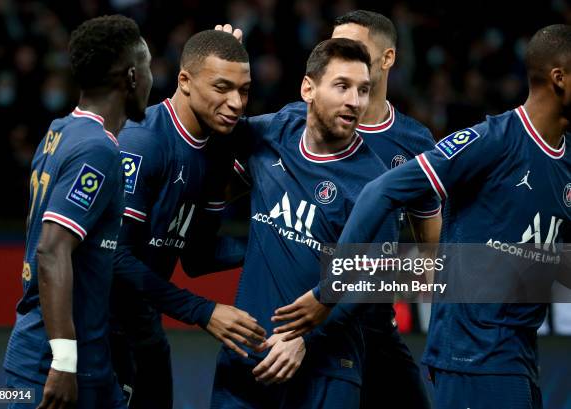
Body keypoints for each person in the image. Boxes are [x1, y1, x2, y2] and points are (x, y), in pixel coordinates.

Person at [271, 24, 571, 409]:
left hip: (520, 355)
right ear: (559, 78)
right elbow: (380, 191)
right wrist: (332, 287)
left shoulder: (563, 160)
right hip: (473, 357)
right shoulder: (493, 140)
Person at [208, 37, 397, 409]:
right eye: (342, 86)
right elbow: (213, 122)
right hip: (248, 355)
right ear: (308, 89)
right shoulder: (275, 131)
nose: (354, 102)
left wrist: (306, 338)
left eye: (363, 90)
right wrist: (218, 65)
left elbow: (375, 283)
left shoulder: (374, 186)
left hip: (327, 370)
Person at [110, 29, 266, 409]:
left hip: (144, 326)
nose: (235, 103)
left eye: (243, 90)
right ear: (184, 81)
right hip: (97, 325)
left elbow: (197, 257)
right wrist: (204, 311)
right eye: (221, 87)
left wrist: (274, 244)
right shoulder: (142, 143)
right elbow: (113, 257)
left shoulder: (216, 151)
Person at [4, 15, 152, 409]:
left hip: (90, 358)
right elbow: (51, 251)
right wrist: (64, 362)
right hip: (52, 363)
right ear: (132, 77)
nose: (154, 79)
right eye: (149, 67)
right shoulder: (97, 149)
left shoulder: (60, 130)